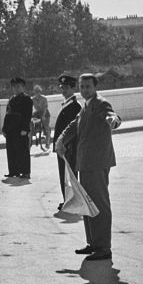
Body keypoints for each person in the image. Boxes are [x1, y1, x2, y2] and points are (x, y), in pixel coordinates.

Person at [55, 72, 122, 262]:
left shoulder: (100, 103)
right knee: (87, 202)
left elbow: (111, 116)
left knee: (99, 203)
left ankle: (104, 247)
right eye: (82, 86)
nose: (84, 90)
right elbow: (75, 124)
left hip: (97, 162)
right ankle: (93, 243)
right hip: (85, 162)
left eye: (88, 86)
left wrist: (113, 121)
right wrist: (61, 140)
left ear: (95, 87)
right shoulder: (86, 105)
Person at [52, 75, 82, 210]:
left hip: (67, 148)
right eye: (62, 88)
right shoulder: (67, 104)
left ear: (72, 88)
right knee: (64, 175)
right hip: (62, 147)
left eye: (66, 88)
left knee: (69, 176)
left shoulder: (75, 106)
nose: (63, 90)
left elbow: (73, 130)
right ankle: (67, 200)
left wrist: (64, 146)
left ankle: (71, 201)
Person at [2, 76, 33, 179]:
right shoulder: (11, 99)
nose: (16, 89)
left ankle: (25, 172)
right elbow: (7, 114)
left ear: (23, 87)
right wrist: (4, 129)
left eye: (19, 87)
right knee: (11, 150)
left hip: (20, 129)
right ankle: (13, 171)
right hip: (11, 129)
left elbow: (27, 115)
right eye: (14, 87)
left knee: (22, 151)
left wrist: (25, 129)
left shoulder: (26, 99)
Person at [31, 84, 51, 151]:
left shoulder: (44, 98)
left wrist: (43, 116)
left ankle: (48, 143)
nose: (37, 93)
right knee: (31, 121)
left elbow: (45, 107)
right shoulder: (32, 99)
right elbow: (30, 108)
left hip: (45, 113)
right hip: (38, 113)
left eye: (38, 91)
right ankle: (34, 133)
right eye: (36, 91)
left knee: (46, 127)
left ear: (40, 92)